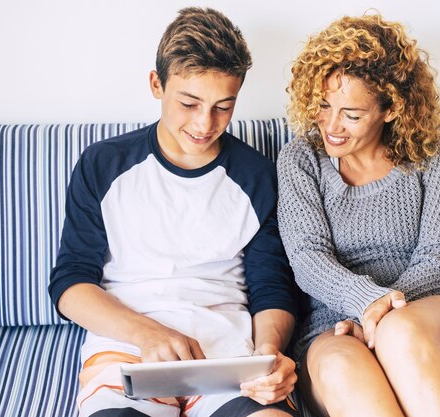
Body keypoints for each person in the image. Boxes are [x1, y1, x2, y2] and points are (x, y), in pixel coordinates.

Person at [48, 7, 299, 417]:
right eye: (189, 102)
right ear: (156, 84)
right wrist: (149, 334)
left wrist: (268, 356)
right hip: (127, 353)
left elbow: (272, 288)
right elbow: (70, 283)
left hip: (229, 358)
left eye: (224, 106)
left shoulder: (257, 175)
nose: (205, 123)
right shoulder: (102, 164)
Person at [276, 12, 440, 417]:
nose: (332, 126)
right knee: (345, 366)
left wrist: (380, 315)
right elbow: (307, 258)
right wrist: (367, 302)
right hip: (335, 328)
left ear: (391, 108)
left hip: (437, 315)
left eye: (352, 114)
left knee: (401, 331)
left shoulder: (431, 155)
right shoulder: (301, 159)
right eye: (324, 106)